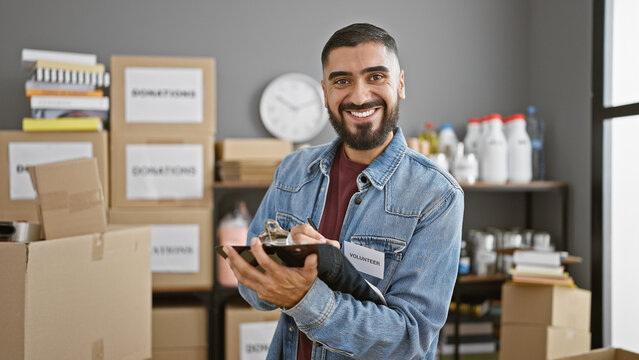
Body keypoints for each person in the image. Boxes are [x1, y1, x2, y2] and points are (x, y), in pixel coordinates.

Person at [223, 23, 464, 360]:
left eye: (376, 77)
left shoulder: (436, 195)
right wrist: (279, 267)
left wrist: (304, 299)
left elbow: (410, 339)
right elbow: (252, 287)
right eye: (342, 81)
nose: (359, 96)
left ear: (401, 83)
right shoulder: (293, 171)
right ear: (325, 92)